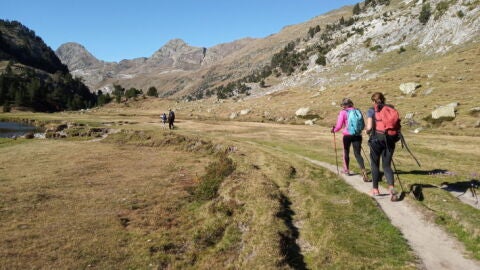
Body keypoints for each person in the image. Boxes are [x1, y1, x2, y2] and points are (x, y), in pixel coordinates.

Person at [365, 92, 400, 201]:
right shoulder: (391, 108)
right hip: (390, 140)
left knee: (375, 164)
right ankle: (392, 189)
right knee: (387, 166)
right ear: (383, 99)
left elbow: (369, 128)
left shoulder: (371, 110)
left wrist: (367, 131)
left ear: (373, 101)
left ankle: (375, 189)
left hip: (376, 140)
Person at [331, 98, 369, 181]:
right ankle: (364, 171)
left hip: (347, 135)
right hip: (357, 135)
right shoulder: (357, 111)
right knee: (358, 154)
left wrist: (333, 130)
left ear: (344, 105)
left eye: (343, 105)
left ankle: (346, 170)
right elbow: (362, 124)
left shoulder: (343, 112)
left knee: (346, 152)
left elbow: (339, 126)